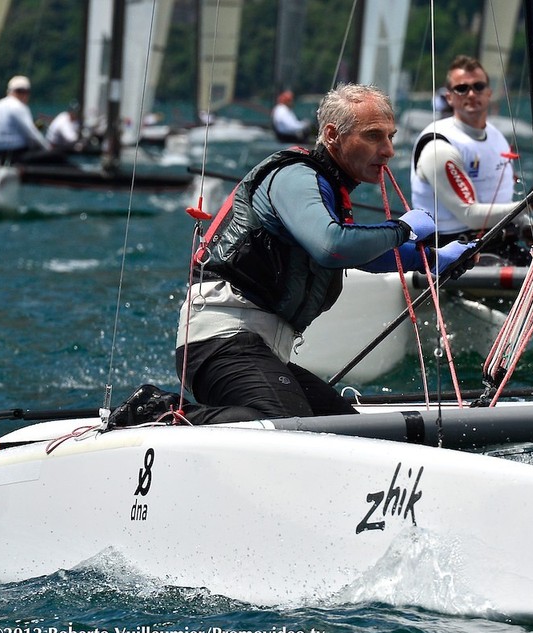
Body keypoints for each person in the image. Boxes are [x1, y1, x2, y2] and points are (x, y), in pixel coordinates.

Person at [167, 83, 475, 423]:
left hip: (258, 349)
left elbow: (364, 255)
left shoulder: (329, 189)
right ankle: (159, 411)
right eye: (373, 136)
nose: (388, 150)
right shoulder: (295, 177)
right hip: (220, 341)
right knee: (293, 431)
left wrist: (431, 259)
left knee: (349, 431)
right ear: (332, 135)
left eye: (390, 136)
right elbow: (332, 246)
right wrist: (402, 228)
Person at [410, 55, 532, 265]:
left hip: (500, 245)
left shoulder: (497, 137)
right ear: (449, 97)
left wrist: (529, 226)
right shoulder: (439, 146)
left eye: (478, 86)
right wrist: (532, 204)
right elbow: (471, 215)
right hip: (453, 255)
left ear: (489, 92)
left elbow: (504, 203)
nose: (471, 93)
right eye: (462, 88)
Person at [0, 75, 66, 165]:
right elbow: (32, 134)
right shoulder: (17, 106)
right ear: (11, 92)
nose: (23, 95)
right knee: (58, 155)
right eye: (20, 91)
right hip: (15, 155)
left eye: (25, 92)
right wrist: (48, 149)